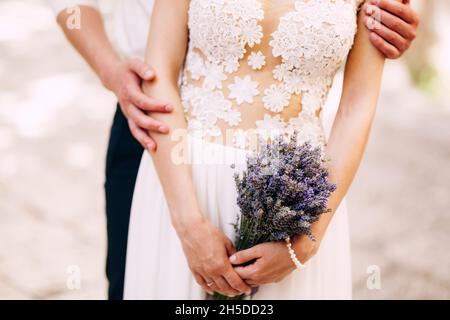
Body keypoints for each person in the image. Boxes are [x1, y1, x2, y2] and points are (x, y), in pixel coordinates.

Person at [52, 0, 420, 300]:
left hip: (296, 198)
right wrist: (189, 225)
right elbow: (159, 71)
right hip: (182, 175)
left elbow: (357, 106)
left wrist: (306, 242)